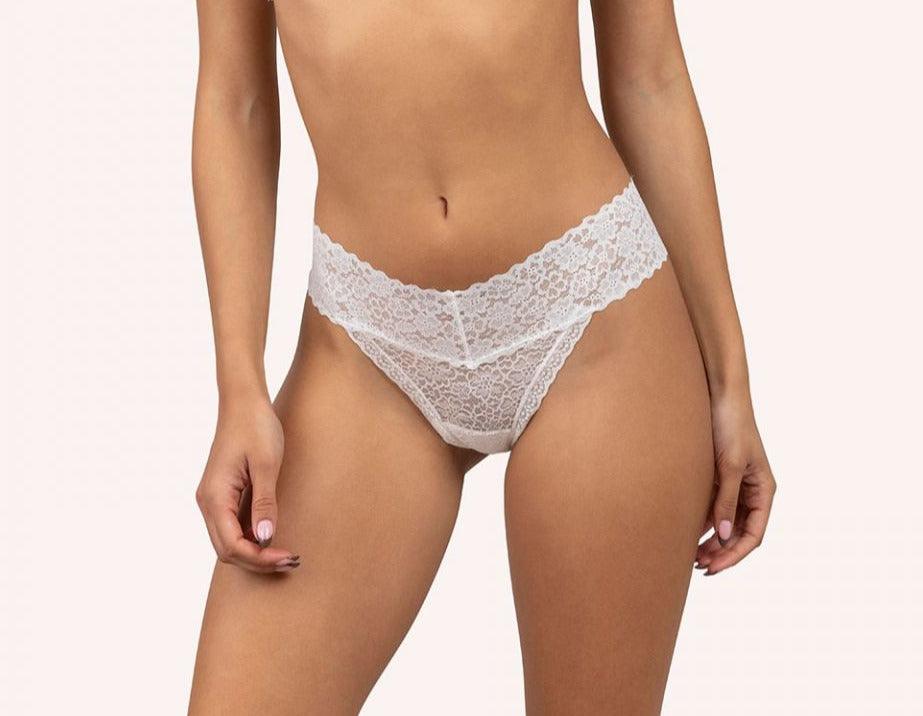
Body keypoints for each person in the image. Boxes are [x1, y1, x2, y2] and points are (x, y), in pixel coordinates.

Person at [188, 1, 776, 713]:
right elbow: (236, 102)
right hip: (364, 341)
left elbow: (648, 80)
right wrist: (239, 388)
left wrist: (730, 383)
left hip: (590, 308)